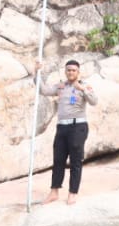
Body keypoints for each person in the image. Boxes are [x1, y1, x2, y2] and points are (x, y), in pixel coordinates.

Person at [38, 59, 97, 205]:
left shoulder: (84, 86)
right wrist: (37, 73)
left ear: (78, 72)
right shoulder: (61, 86)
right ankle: (54, 192)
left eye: (74, 70)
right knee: (58, 160)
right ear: (65, 71)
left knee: (75, 161)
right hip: (62, 127)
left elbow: (94, 101)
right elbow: (43, 90)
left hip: (78, 127)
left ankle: (72, 193)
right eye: (68, 70)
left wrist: (82, 89)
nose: (71, 72)